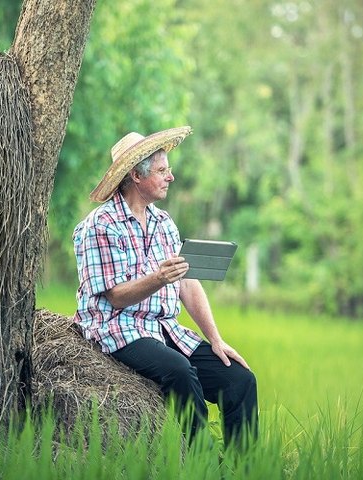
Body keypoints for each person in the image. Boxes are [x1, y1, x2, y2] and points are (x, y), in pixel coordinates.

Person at [72, 126, 257, 445]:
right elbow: (115, 298)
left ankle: (246, 469)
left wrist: (215, 339)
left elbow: (188, 283)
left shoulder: (164, 223)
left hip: (162, 328)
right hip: (116, 328)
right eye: (161, 170)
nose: (170, 177)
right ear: (135, 176)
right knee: (180, 371)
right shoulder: (100, 226)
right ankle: (202, 463)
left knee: (240, 379)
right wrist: (159, 277)